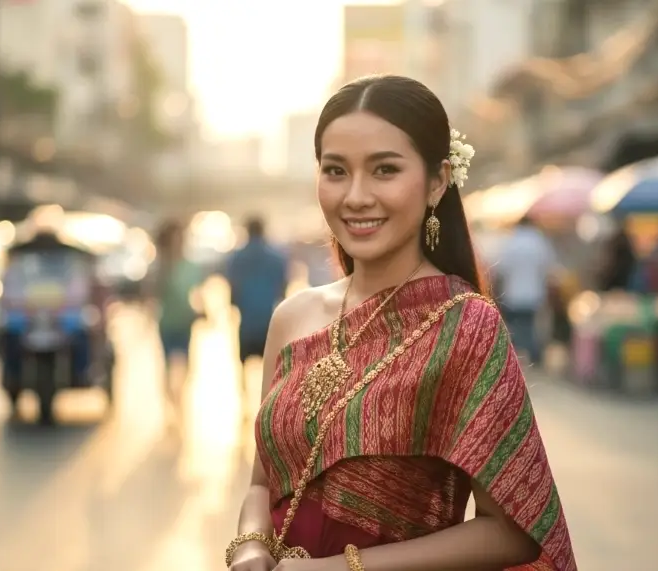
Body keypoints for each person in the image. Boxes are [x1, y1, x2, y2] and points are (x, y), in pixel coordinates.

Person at [226, 75, 575, 571]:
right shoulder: (292, 318)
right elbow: (262, 483)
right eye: (336, 171)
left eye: (384, 170)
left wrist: (340, 568)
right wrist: (250, 545)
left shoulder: (466, 326)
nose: (355, 196)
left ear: (437, 181)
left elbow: (513, 532)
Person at [149, 220, 203, 407]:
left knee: (186, 365)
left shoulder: (190, 267)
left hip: (185, 321)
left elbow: (195, 294)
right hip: (167, 323)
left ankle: (179, 399)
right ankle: (171, 402)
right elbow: (153, 294)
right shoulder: (161, 268)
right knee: (167, 365)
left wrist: (200, 311)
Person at [226, 216, 289, 367]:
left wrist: (233, 304)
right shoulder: (276, 257)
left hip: (246, 321)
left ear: (247, 231)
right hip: (267, 319)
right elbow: (282, 287)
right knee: (270, 365)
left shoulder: (237, 257)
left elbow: (233, 286)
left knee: (243, 362)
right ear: (263, 231)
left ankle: (245, 383)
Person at [494, 216, 557, 364]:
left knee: (515, 327)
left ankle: (517, 357)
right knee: (530, 326)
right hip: (534, 294)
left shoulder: (511, 242)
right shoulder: (539, 242)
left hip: (513, 293)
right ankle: (533, 356)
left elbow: (501, 269)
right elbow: (549, 267)